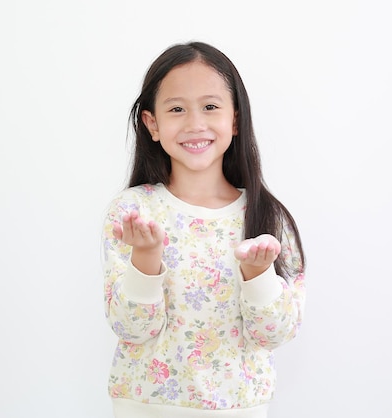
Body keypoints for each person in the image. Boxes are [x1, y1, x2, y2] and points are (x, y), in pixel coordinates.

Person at [101, 41, 306, 418]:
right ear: (152, 124)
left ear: (235, 119)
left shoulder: (267, 217)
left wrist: (258, 275)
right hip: (146, 406)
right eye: (177, 109)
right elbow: (131, 328)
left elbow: (275, 334)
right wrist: (145, 258)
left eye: (210, 107)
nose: (195, 123)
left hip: (239, 407)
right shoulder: (134, 211)